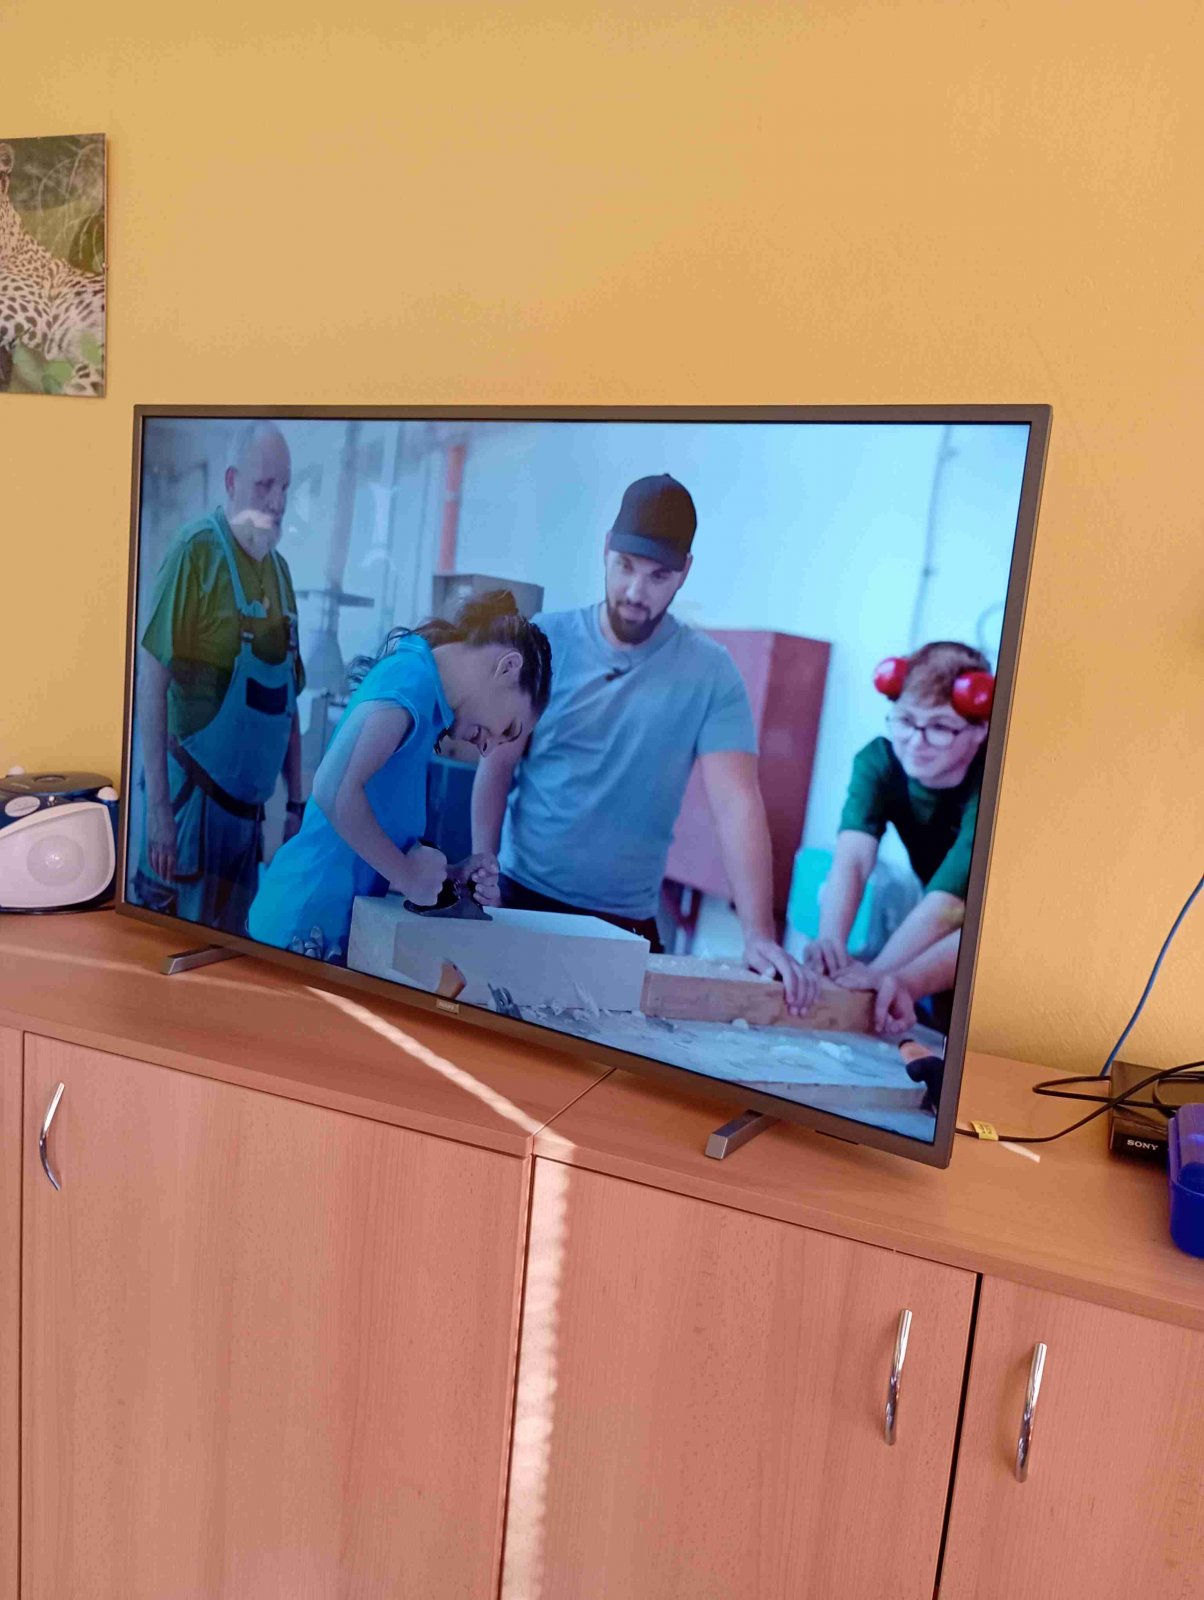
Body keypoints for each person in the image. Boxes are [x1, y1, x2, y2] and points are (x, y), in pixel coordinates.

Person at [471, 474, 813, 1012]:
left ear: (685, 573)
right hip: (521, 898)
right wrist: (482, 869)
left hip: (626, 925)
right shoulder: (544, 640)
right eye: (625, 566)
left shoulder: (711, 673)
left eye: (658, 576)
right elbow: (497, 765)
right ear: (606, 548)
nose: (635, 592)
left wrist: (758, 934)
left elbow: (736, 803)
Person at [248, 591, 552, 964]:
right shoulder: (410, 679)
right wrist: (408, 875)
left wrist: (449, 877)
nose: (489, 749)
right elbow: (333, 789)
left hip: (329, 935)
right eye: (508, 729)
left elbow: (367, 841)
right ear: (508, 667)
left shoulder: (426, 708)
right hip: (299, 926)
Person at [132, 422, 305, 935]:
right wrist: (159, 814)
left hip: (247, 828)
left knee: (232, 959)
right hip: (190, 814)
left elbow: (289, 700)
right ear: (231, 482)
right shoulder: (196, 552)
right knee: (169, 955)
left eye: (285, 488)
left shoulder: (281, 573)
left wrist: (295, 805)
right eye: (264, 485)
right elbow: (150, 682)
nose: (277, 501)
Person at [808, 641, 993, 1036]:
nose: (915, 741)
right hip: (947, 943)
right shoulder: (879, 761)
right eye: (906, 720)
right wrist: (830, 945)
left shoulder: (996, 783)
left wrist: (875, 976)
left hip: (1000, 948)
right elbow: (853, 860)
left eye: (940, 727)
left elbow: (950, 906)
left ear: (981, 729)